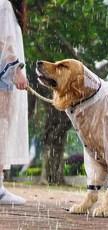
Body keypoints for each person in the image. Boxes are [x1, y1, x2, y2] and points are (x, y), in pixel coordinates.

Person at [0, 0, 29, 205]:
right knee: (1, 128)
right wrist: (16, 71)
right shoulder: (4, 5)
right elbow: (4, 42)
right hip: (3, 82)